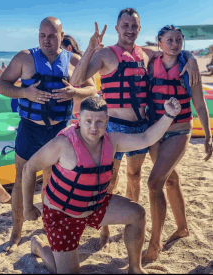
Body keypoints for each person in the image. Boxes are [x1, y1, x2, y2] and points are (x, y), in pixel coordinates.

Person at [70, 7, 200, 248]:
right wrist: (90, 49)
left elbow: (174, 50)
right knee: (109, 180)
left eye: (134, 26)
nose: (130, 30)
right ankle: (105, 229)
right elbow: (76, 80)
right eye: (125, 26)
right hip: (114, 129)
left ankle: (130, 220)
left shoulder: (147, 54)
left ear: (139, 29)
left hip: (140, 128)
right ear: (118, 28)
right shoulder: (105, 55)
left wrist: (191, 58)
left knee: (135, 176)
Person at [22, 96, 181, 274]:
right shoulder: (62, 145)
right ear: (79, 119)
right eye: (88, 121)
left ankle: (135, 268)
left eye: (99, 122)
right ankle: (39, 246)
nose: (93, 127)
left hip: (95, 206)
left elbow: (146, 138)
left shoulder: (112, 141)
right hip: (62, 213)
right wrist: (28, 207)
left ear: (107, 121)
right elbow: (29, 168)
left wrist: (169, 115)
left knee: (137, 214)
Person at [0, 16, 96, 253]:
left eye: (52, 35)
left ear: (62, 36)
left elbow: (93, 88)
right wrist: (25, 93)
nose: (47, 40)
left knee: (53, 181)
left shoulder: (74, 60)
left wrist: (75, 91)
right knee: (21, 180)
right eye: (42, 35)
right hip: (30, 128)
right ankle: (16, 233)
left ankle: (48, 227)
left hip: (58, 130)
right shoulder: (24, 57)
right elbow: (1, 85)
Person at [143, 25, 213, 261]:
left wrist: (207, 136)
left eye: (179, 40)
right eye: (169, 40)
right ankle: (182, 228)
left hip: (179, 130)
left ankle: (155, 244)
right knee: (171, 179)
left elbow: (200, 104)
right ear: (159, 42)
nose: (175, 44)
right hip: (155, 131)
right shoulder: (151, 62)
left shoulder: (188, 68)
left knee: (154, 183)